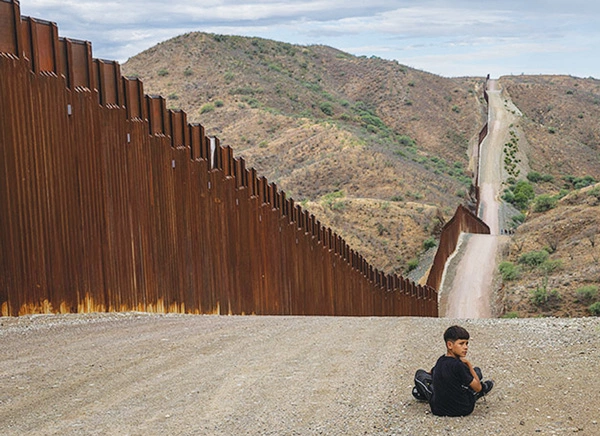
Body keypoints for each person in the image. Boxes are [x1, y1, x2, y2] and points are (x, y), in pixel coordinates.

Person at [412, 325, 494, 417]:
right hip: (464, 409)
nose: (465, 347)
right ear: (449, 345)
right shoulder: (460, 366)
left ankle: (420, 392)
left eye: (467, 343)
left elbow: (431, 372)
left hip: (438, 409)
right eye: (461, 343)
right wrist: (469, 365)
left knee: (420, 375)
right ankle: (483, 388)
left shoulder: (440, 361)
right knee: (476, 372)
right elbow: (478, 388)